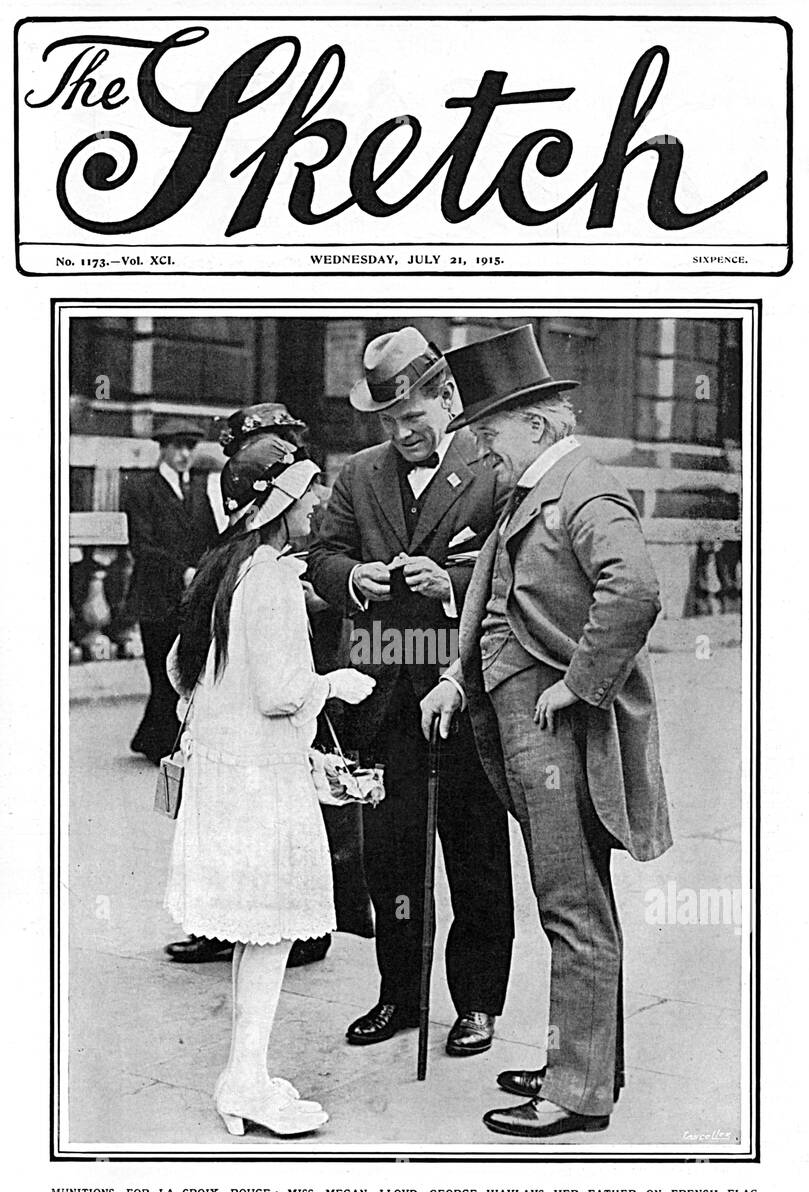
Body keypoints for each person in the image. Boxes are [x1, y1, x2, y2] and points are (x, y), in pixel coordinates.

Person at [420, 325, 672, 1138]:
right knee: (576, 902)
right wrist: (459, 679)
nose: (482, 450)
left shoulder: (582, 491)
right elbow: (498, 599)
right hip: (523, 725)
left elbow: (632, 591)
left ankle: (574, 1093)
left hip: (554, 733)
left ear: (535, 425)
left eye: (490, 432)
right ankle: (588, 1058)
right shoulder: (537, 490)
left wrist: (577, 684)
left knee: (571, 909)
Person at [164, 403, 374, 1138]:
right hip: (262, 784)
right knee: (271, 935)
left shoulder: (225, 571)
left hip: (227, 779)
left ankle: (244, 1073)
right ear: (282, 499)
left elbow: (181, 674)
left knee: (257, 934)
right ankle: (243, 1079)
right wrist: (336, 685)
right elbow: (281, 691)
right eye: (311, 490)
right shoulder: (273, 582)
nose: (320, 501)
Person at [308, 328, 515, 1054]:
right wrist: (349, 581)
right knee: (392, 859)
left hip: (462, 694)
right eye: (390, 424)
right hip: (384, 695)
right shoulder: (359, 473)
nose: (402, 435)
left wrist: (454, 586)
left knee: (474, 854)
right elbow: (321, 558)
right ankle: (398, 996)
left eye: (414, 420)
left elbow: (518, 572)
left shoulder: (492, 470)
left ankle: (477, 1005)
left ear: (448, 399)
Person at [125, 418, 219, 766]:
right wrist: (183, 571)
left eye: (189, 448)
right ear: (162, 448)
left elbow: (209, 537)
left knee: (181, 668)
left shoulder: (195, 491)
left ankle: (156, 740)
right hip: (154, 595)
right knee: (161, 670)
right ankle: (161, 743)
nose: (183, 455)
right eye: (177, 447)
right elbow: (142, 546)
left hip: (189, 597)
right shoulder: (141, 488)